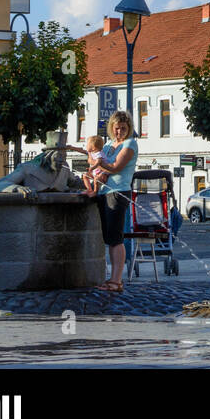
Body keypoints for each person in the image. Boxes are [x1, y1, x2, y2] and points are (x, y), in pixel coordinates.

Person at [90, 111, 139, 293]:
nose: (120, 132)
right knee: (109, 238)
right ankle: (112, 279)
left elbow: (116, 166)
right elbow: (96, 157)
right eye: (117, 128)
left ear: (129, 128)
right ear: (112, 128)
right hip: (104, 192)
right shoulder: (110, 144)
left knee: (116, 238)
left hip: (118, 192)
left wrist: (99, 165)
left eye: (123, 129)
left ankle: (116, 281)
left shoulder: (130, 143)